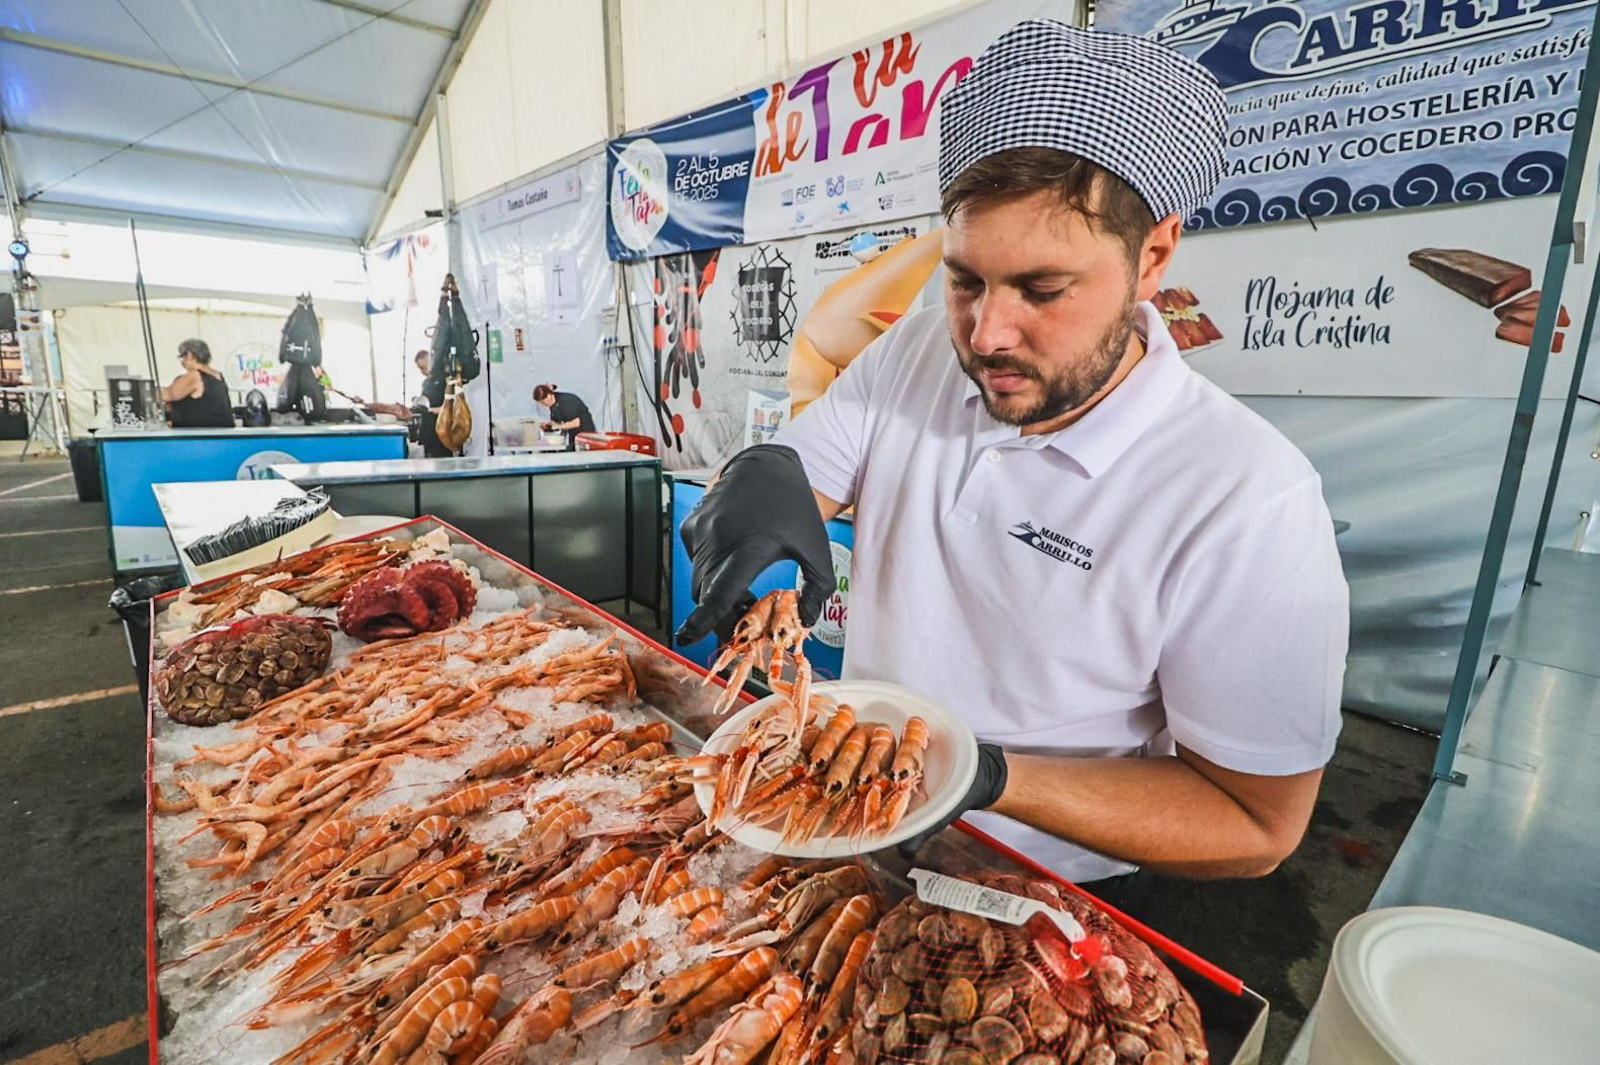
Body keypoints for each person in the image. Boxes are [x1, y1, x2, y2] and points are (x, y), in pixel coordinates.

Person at [676, 20, 1349, 889]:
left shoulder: (1245, 499)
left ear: (1153, 258)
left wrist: (986, 774)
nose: (987, 333)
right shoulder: (913, 353)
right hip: (852, 828)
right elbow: (803, 474)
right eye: (964, 280)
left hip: (1043, 889)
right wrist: (757, 488)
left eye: (1042, 288)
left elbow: (1258, 823)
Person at [161, 339, 235, 428]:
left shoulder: (195, 376)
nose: (182, 361)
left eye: (181, 357)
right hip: (221, 434)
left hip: (198, 436)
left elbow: (166, 395)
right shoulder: (218, 376)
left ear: (189, 355)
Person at [412, 350, 451, 458]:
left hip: (442, 431)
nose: (423, 371)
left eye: (424, 367)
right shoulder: (426, 383)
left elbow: (450, 406)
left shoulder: (446, 380)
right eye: (420, 369)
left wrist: (433, 410)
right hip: (427, 431)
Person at [533, 383, 595, 451]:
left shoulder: (566, 401)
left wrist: (556, 426)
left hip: (586, 435)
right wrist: (549, 425)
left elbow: (576, 423)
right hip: (574, 436)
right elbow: (558, 421)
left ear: (549, 396)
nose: (543, 405)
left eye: (543, 402)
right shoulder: (553, 405)